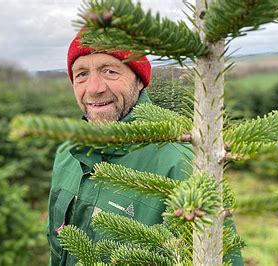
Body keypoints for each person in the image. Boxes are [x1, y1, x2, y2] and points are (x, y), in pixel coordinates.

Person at [47, 33, 243, 265]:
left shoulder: (183, 164)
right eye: (81, 74)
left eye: (110, 71)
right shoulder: (67, 152)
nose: (94, 88)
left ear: (139, 80)